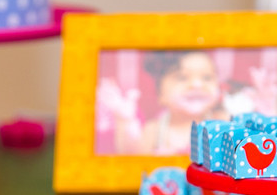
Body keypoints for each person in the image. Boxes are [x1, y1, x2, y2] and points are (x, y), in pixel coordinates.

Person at [97, 51, 227, 156]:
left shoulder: (221, 123)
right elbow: (131, 157)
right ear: (161, 94)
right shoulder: (154, 130)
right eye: (182, 78)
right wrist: (124, 120)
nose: (196, 85)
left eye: (207, 77)